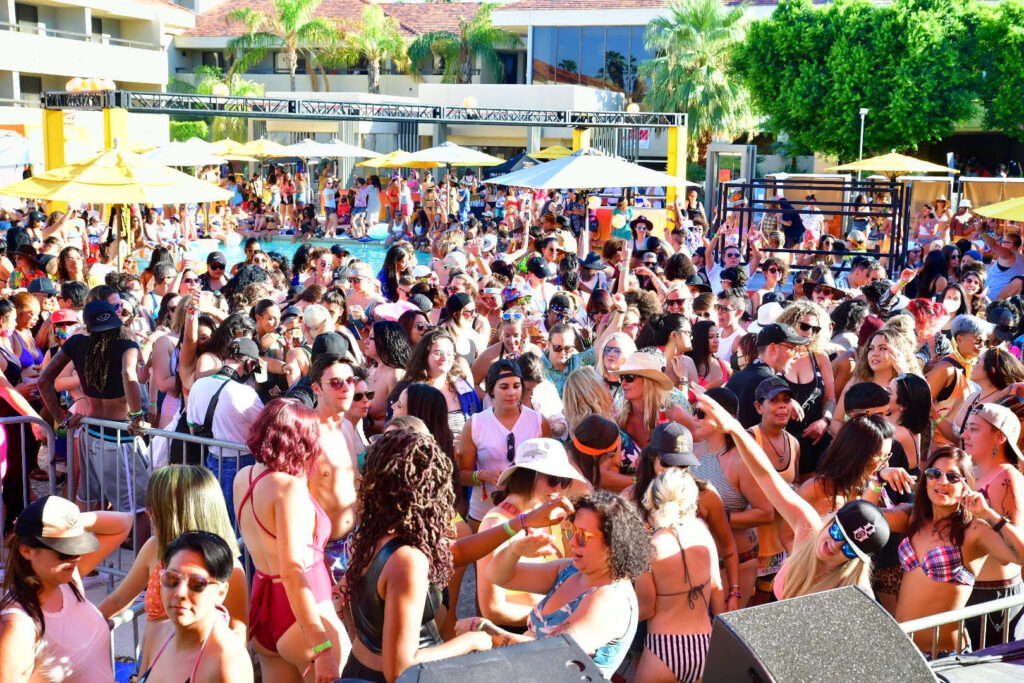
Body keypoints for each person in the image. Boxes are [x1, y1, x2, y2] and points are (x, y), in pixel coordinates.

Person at [693, 393, 891, 601]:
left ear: (857, 561)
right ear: (832, 519)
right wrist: (734, 428)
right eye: (837, 531)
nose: (835, 544)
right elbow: (765, 475)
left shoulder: (855, 591)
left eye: (849, 550)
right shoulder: (808, 529)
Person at [343, 431, 493, 681]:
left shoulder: (370, 536)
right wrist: (470, 642)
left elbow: (459, 551)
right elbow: (399, 669)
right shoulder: (407, 560)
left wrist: (519, 524)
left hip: (358, 669)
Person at [467, 490, 649, 679]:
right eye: (573, 531)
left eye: (584, 535)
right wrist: (514, 550)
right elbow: (497, 576)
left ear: (614, 543)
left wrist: (485, 631)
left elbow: (551, 653)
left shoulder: (609, 599)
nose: (573, 541)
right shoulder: (570, 570)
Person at [232, 398, 348, 682]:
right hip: (303, 614)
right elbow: (293, 572)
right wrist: (322, 647)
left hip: (265, 607)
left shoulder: (243, 477)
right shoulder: (288, 489)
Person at [98, 465, 248, 638]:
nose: (148, 512)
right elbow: (118, 600)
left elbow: (238, 632)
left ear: (176, 512)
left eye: (155, 506)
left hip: (198, 663)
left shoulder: (229, 567)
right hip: (153, 659)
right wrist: (79, 626)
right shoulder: (154, 547)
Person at [38, 300, 149, 529]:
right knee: (137, 510)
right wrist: (137, 415)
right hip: (119, 438)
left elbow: (43, 381)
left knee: (88, 502)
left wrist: (62, 418)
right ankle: (142, 565)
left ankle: (86, 561)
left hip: (90, 432)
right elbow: (129, 375)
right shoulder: (126, 344)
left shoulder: (76, 342)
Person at [0, 495, 132, 682]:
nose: (75, 557)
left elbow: (124, 523)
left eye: (78, 546)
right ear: (27, 550)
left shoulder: (68, 580)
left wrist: (70, 522)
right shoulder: (19, 625)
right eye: (64, 552)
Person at [476, 438, 586, 630]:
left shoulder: (555, 516)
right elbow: (492, 609)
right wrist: (554, 616)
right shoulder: (496, 524)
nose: (558, 487)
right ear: (528, 476)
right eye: (553, 479)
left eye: (564, 480)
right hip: (517, 636)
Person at [635, 468, 723, 683]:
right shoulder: (703, 533)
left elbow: (646, 609)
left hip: (663, 649)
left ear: (652, 501)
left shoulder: (648, 548)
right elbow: (717, 590)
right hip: (705, 644)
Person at [692, 388, 775, 606]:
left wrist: (720, 518)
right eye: (694, 411)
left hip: (738, 561)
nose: (694, 418)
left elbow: (766, 513)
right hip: (699, 559)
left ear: (721, 417)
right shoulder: (693, 450)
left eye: (701, 413)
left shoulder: (741, 461)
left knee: (723, 632)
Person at [136, 532, 254, 682]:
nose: (180, 593)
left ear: (221, 592)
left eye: (197, 583)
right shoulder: (156, 634)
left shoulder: (227, 661)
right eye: (171, 579)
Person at [959, 403, 1024, 645]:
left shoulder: (1006, 477)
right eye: (966, 428)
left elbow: (1014, 551)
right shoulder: (974, 472)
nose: (965, 435)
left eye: (974, 429)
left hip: (993, 600)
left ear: (999, 437)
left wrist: (986, 516)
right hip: (970, 591)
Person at [460, 360, 549, 530]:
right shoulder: (476, 424)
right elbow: (462, 474)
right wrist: (482, 476)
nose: (512, 393)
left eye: (516, 386)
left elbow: (548, 471)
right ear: (491, 391)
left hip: (527, 511)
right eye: (504, 387)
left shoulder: (538, 422)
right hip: (485, 513)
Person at [187, 336, 264, 520]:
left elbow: (192, 429)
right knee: (240, 523)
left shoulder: (198, 385)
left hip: (211, 460)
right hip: (242, 463)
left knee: (214, 519)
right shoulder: (246, 394)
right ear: (250, 364)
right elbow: (267, 430)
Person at [309, 354, 360, 585]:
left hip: (354, 541)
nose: (347, 387)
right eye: (336, 382)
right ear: (317, 389)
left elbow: (356, 483)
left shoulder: (348, 426)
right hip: (321, 551)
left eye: (350, 380)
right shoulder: (306, 434)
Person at [726, 323, 809, 429]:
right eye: (792, 349)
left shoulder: (736, 378)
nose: (797, 356)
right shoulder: (774, 384)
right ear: (773, 348)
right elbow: (776, 437)